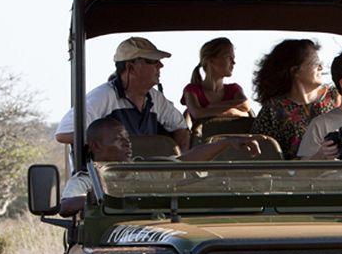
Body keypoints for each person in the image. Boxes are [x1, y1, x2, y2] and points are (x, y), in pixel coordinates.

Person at [59, 116, 260, 216]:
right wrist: (100, 196)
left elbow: (185, 163)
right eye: (119, 139)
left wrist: (225, 143)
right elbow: (66, 206)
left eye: (127, 138)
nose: (128, 143)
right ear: (96, 145)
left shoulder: (143, 170)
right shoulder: (86, 179)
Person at [55, 37, 190, 153]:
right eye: (152, 61)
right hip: (109, 180)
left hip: (151, 181)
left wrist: (178, 167)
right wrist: (108, 142)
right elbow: (63, 134)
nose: (160, 65)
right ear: (130, 67)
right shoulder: (103, 97)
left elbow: (181, 129)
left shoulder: (156, 99)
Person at [252, 39, 341, 159]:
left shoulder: (337, 96)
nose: (321, 67)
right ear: (295, 71)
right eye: (316, 63)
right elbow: (262, 157)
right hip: (295, 177)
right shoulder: (272, 110)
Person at [181, 37, 251, 121]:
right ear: (211, 60)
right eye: (229, 57)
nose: (233, 62)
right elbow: (197, 113)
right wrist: (233, 112)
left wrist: (212, 107)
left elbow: (245, 105)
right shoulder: (192, 90)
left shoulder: (234, 89)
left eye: (233, 58)